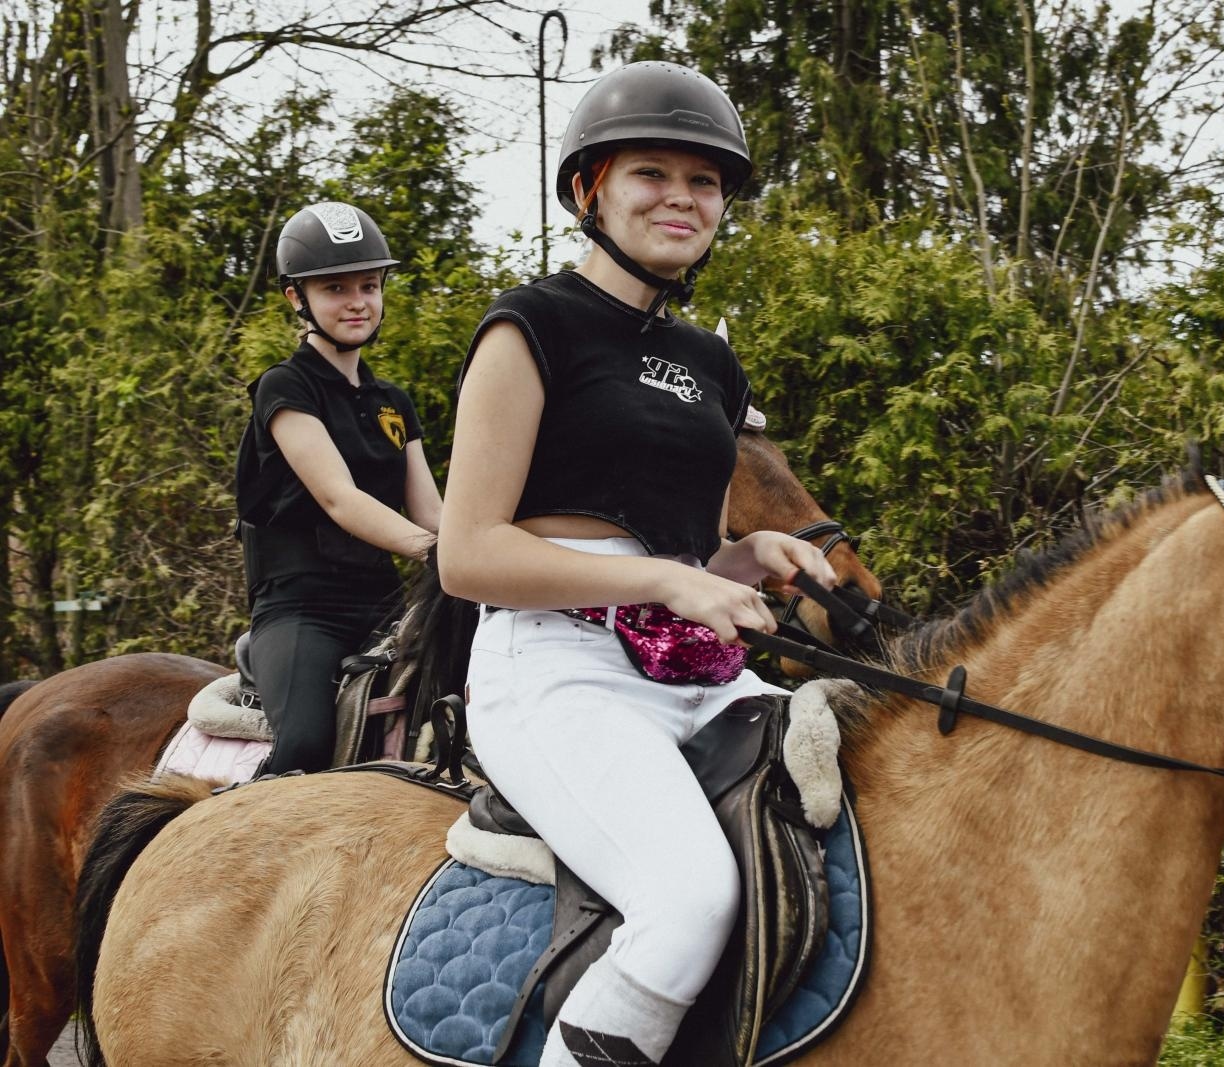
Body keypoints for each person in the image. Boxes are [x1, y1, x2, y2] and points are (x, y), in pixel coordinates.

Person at [437, 62, 837, 1067]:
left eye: (703, 183)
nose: (682, 198)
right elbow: (467, 551)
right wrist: (667, 579)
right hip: (554, 669)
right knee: (687, 896)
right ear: (591, 192)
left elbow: (686, 553)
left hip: (690, 669)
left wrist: (746, 556)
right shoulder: (530, 325)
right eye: (651, 173)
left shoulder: (711, 362)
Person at [235, 201, 443, 775]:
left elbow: (429, 508)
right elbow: (338, 496)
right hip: (303, 608)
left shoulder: (392, 402)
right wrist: (438, 553)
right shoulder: (286, 386)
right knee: (303, 745)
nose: (357, 301)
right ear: (297, 299)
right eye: (335, 288)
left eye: (369, 285)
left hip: (385, 605)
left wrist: (485, 549)